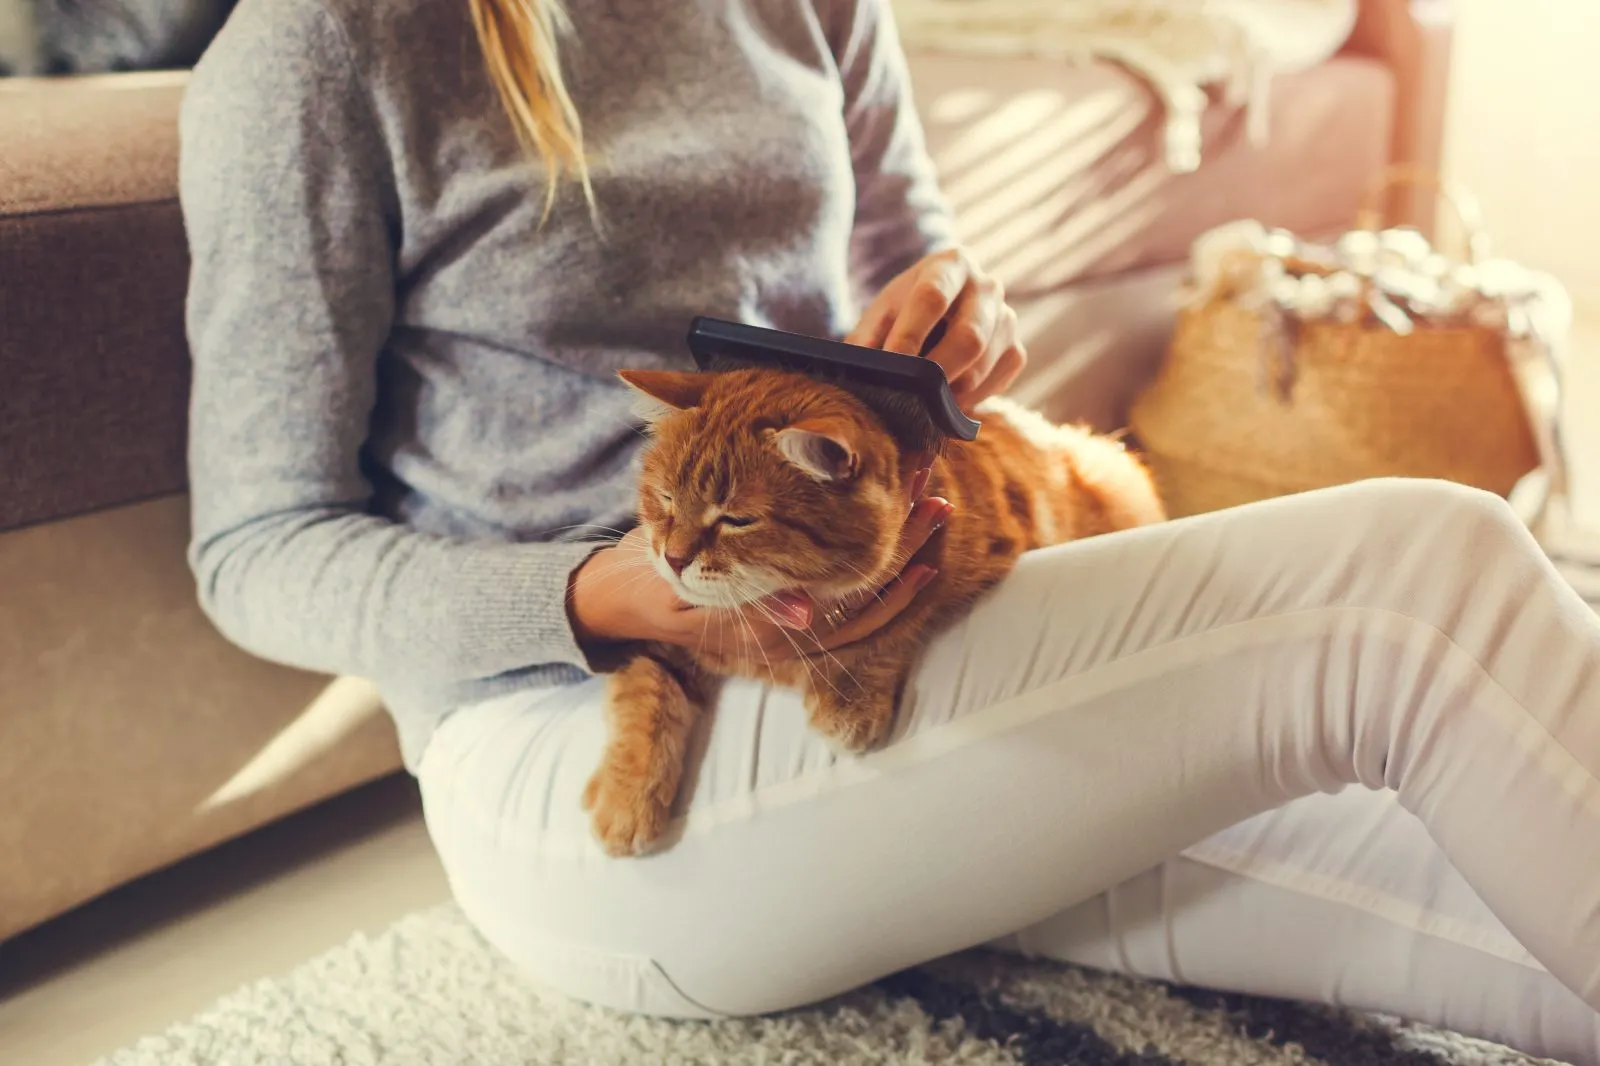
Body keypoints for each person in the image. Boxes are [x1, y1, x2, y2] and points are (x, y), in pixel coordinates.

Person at [175, 0, 1600, 1059]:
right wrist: (611, 594)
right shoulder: (322, 48)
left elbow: (917, 265)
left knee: (1446, 855)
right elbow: (257, 548)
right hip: (582, 769)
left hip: (873, 667)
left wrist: (965, 325)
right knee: (1425, 584)